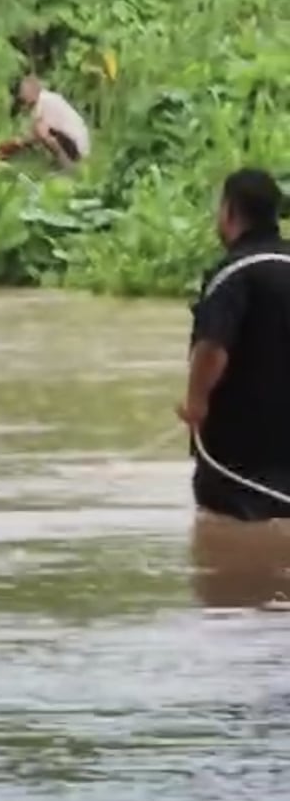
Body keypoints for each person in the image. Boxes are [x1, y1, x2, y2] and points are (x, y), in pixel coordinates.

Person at [178, 169, 290, 604]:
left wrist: (195, 402)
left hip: (238, 460)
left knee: (230, 577)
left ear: (228, 213)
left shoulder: (232, 274)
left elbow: (212, 349)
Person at [0, 75, 90, 171]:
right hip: (74, 142)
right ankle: (57, 163)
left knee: (40, 130)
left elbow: (39, 133)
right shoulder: (46, 99)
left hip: (76, 145)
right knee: (39, 132)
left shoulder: (44, 101)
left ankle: (67, 167)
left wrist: (17, 143)